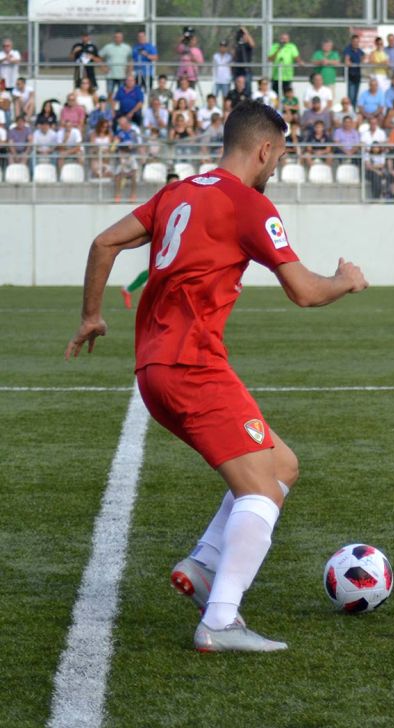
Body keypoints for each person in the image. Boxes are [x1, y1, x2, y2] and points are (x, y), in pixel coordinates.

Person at [65, 101, 369, 653]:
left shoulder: (178, 192)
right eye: (279, 155)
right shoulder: (248, 205)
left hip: (156, 366)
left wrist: (91, 315)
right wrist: (346, 280)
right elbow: (304, 291)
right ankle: (220, 620)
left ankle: (205, 565)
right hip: (192, 365)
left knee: (283, 466)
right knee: (260, 493)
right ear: (264, 150)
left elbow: (103, 243)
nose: (277, 166)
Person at [343, 35, 365, 108]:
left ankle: (354, 111)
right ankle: (350, 111)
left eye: (357, 42)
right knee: (351, 96)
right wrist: (349, 62)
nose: (356, 43)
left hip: (358, 75)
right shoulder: (348, 49)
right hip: (351, 76)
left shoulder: (359, 50)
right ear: (351, 42)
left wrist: (362, 61)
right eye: (354, 41)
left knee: (355, 96)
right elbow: (347, 60)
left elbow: (364, 57)